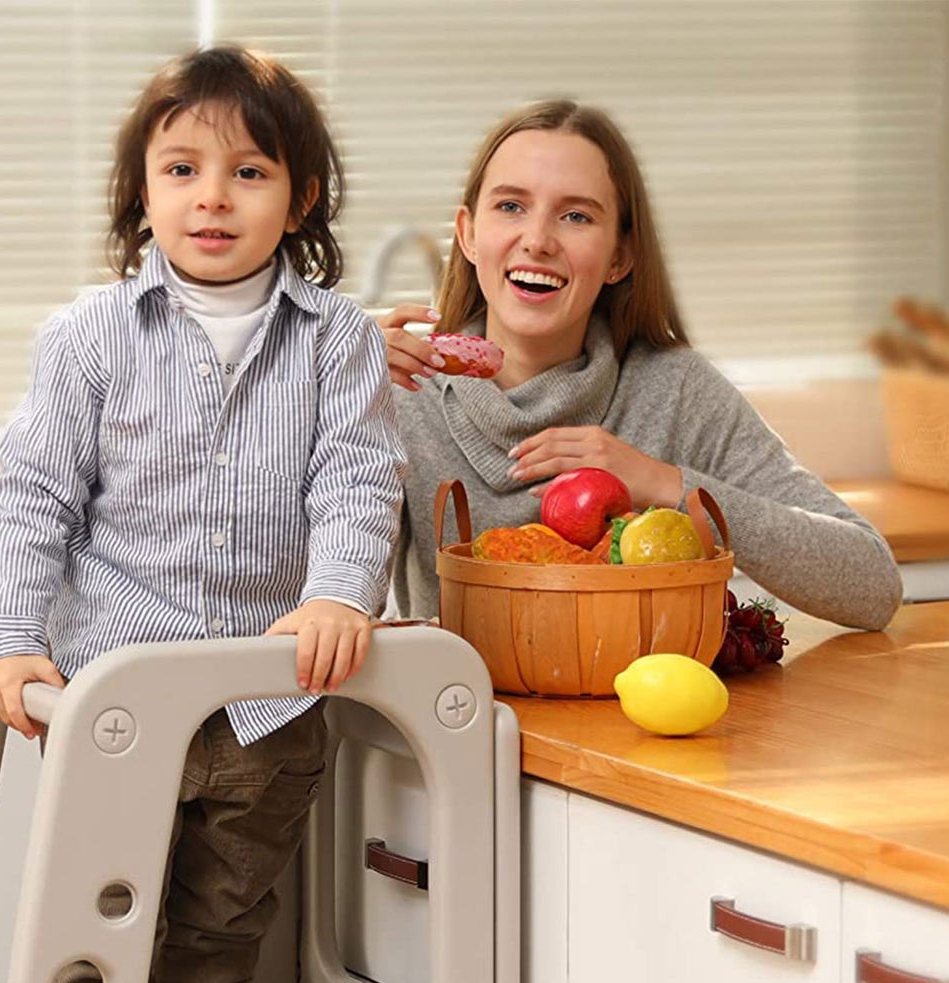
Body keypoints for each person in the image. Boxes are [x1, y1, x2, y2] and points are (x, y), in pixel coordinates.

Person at [0, 46, 403, 983]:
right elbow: (32, 500)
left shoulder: (339, 340)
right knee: (86, 939)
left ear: (301, 197)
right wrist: (11, 641)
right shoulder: (88, 337)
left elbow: (358, 482)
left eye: (249, 172)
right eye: (182, 170)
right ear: (143, 189)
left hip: (267, 711)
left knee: (218, 949)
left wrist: (340, 593)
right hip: (119, 703)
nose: (213, 197)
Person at [379, 100, 901, 628]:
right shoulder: (400, 391)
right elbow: (333, 608)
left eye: (576, 216)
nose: (537, 241)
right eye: (511, 206)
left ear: (619, 257)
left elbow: (872, 586)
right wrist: (333, 390)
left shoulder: (675, 390)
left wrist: (663, 482)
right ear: (468, 234)